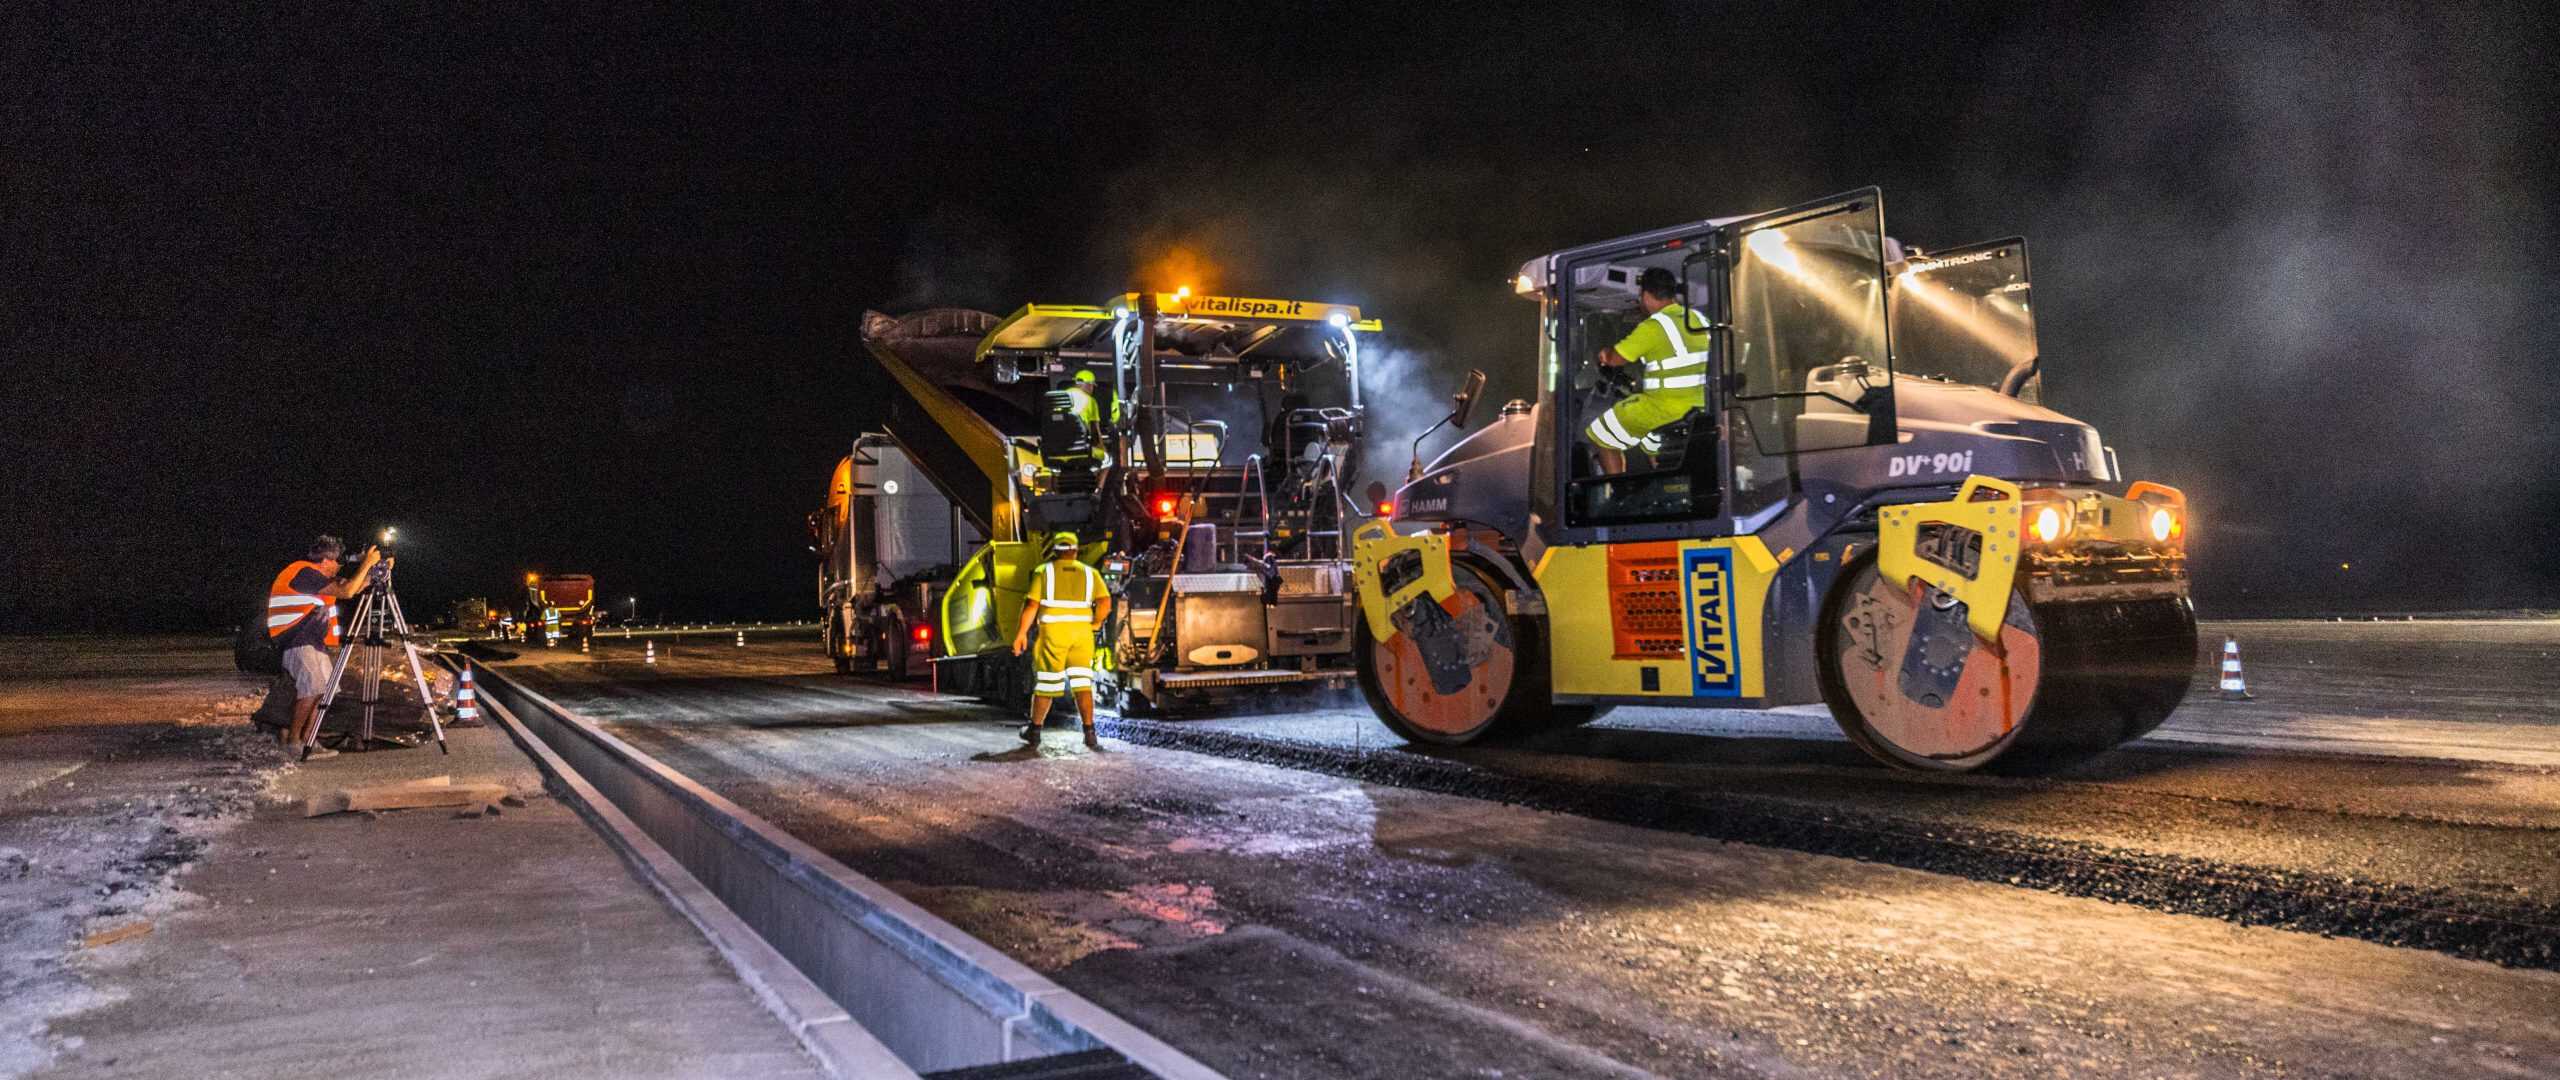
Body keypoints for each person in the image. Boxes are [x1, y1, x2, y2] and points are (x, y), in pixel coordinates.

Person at [1585, 266, 1712, 475]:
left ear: (1645, 295)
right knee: (1649, 439)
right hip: (1700, 405)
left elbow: (1617, 359)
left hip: (1664, 407)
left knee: (1601, 434)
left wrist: (1605, 354)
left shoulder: (1653, 326)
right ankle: (1663, 479)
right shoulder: (1698, 319)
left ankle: (1618, 493)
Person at [266, 535, 382, 758]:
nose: (339, 567)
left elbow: (353, 587)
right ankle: (293, 741)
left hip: (313, 642)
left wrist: (376, 572)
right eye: (337, 562)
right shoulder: (305, 572)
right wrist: (366, 562)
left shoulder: (317, 579)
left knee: (323, 691)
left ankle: (310, 740)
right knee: (311, 689)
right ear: (327, 560)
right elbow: (347, 592)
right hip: (297, 641)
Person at [1010, 531, 1111, 751]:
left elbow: (1031, 606)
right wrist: (1095, 623)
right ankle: (1090, 733)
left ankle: (1035, 731)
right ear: (1076, 550)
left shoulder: (1043, 572)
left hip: (1053, 636)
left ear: (1054, 550)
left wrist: (1021, 634)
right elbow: (1105, 602)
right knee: (1083, 684)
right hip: (1082, 636)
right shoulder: (1090, 573)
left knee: (1047, 684)